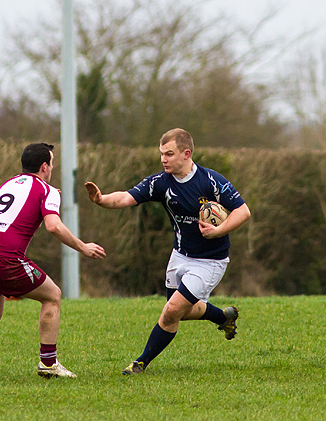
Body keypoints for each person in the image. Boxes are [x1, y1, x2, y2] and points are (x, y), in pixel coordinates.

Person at [85, 128, 250, 375]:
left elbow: (243, 211)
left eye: (169, 154)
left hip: (210, 261)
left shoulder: (211, 181)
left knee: (171, 311)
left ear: (186, 153)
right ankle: (222, 317)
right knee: (180, 313)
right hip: (179, 256)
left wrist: (218, 230)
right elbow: (126, 198)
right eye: (161, 154)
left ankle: (140, 363)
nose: (163, 159)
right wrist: (101, 199)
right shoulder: (160, 182)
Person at [0, 143, 107, 380]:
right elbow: (53, 226)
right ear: (44, 166)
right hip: (5, 257)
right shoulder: (46, 190)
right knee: (52, 296)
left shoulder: (8, 184)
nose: (52, 168)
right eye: (52, 163)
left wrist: (48, 195)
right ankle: (48, 364)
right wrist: (83, 247)